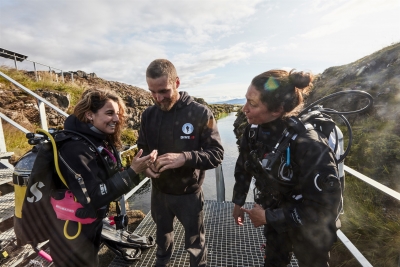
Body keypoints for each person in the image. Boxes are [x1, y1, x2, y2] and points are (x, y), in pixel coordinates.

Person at [232, 69, 342, 267]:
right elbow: (244, 166)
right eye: (246, 100)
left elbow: (323, 210)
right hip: (275, 222)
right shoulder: (252, 132)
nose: (244, 109)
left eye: (253, 104)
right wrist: (238, 201)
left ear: (277, 110)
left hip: (311, 233)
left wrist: (267, 216)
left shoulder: (310, 146)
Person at [49, 88, 157, 267]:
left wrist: (138, 171)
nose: (116, 118)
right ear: (90, 115)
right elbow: (93, 196)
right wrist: (132, 171)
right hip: (71, 232)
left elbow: (111, 182)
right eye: (109, 113)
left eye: (117, 113)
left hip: (90, 223)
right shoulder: (75, 149)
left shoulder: (98, 141)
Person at [137, 59, 224, 267]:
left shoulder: (201, 113)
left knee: (195, 242)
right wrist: (145, 167)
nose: (158, 98)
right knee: (162, 237)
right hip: (159, 192)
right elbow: (142, 148)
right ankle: (161, 262)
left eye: (164, 91)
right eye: (152, 91)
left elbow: (217, 154)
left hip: (189, 194)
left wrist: (185, 157)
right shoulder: (148, 115)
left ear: (176, 82)